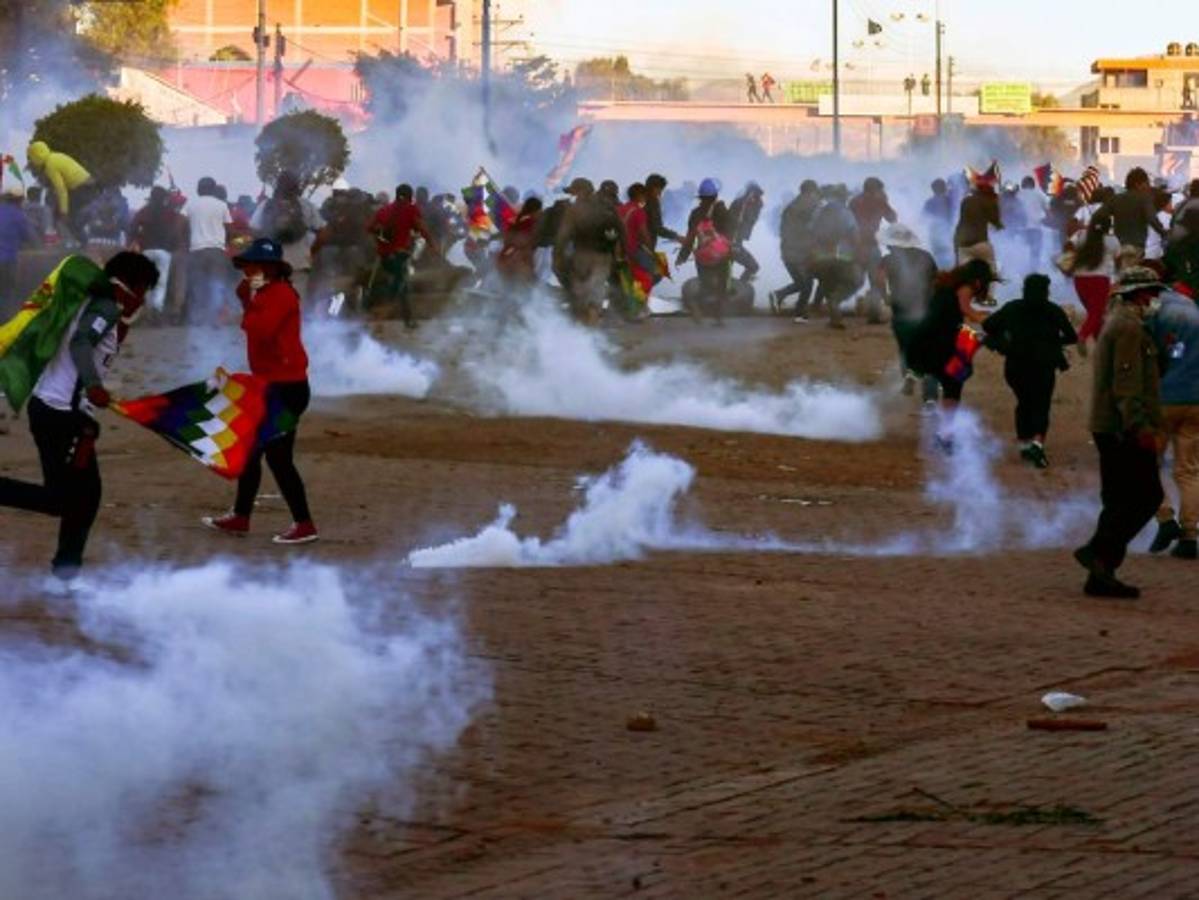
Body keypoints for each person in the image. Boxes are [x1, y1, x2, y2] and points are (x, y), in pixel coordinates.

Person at [0, 252, 159, 578]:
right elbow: (81, 343)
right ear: (134, 286)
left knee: (83, 497)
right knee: (68, 499)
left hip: (54, 411)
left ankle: (65, 572)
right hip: (63, 416)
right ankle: (65, 572)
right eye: (144, 291)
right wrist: (94, 385)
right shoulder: (103, 308)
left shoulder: (94, 304)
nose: (143, 301)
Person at [202, 238, 318, 545]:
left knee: (278, 459)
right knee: (252, 454)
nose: (247, 271)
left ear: (268, 268)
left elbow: (261, 330)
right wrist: (249, 296)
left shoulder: (278, 295)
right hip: (272, 386)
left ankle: (304, 524)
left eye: (252, 266)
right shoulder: (267, 292)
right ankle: (241, 517)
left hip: (286, 389)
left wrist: (247, 306)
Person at [1074, 267, 1168, 599]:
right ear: (1138, 295)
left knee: (1117, 499)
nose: (1155, 300)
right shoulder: (1129, 328)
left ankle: (1101, 573)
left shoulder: (1120, 324)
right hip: (1122, 428)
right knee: (1146, 496)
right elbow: (1126, 385)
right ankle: (1099, 551)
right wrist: (1139, 426)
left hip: (1110, 425)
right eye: (1151, 294)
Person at [982, 274, 1078, 467]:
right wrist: (1052, 342)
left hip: (1016, 365)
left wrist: (1005, 339)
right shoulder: (1053, 311)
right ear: (1046, 291)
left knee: (1024, 402)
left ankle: (1025, 445)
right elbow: (1072, 336)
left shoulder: (1012, 308)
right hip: (1044, 366)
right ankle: (1037, 443)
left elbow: (988, 325)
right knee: (1041, 404)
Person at [908, 258, 996, 426]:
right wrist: (985, 320)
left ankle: (943, 424)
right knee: (954, 381)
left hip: (927, 338)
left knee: (951, 377)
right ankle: (946, 430)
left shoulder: (950, 286)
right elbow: (965, 309)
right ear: (978, 281)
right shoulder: (966, 287)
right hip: (938, 342)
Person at [1146, 280, 1199, 560]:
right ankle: (1190, 535)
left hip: (1165, 398)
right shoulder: (1195, 311)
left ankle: (1166, 518)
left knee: (1147, 464)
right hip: (1196, 399)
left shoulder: (1156, 311)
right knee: (1188, 470)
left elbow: (1155, 354)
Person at [880, 224, 940, 404]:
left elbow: (879, 278)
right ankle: (930, 396)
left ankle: (909, 374)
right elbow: (937, 281)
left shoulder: (887, 260)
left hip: (901, 308)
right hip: (927, 308)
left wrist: (886, 297)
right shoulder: (926, 257)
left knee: (905, 346)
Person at [554, 177, 624, 325]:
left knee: (580, 296)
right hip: (603, 258)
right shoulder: (608, 207)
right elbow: (619, 234)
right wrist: (617, 257)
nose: (573, 196)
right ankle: (591, 334)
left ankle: (584, 335)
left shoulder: (575, 210)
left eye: (574, 193)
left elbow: (563, 236)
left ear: (580, 192)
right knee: (595, 297)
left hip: (581, 256)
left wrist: (558, 256)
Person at [369, 184, 435, 329]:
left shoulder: (383, 210)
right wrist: (432, 245)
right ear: (410, 196)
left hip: (385, 257)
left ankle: (408, 320)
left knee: (402, 284)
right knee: (398, 285)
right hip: (398, 255)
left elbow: (370, 228)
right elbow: (422, 228)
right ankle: (380, 316)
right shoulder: (411, 209)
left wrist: (381, 235)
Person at [252, 171, 321, 298]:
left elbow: (254, 230)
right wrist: (311, 251)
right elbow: (323, 231)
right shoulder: (307, 206)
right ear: (297, 186)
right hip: (298, 264)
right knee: (295, 305)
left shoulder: (266, 205)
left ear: (278, 185)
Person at [128, 186, 188, 320]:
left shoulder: (143, 212)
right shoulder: (169, 213)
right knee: (161, 283)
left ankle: (148, 311)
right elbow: (174, 234)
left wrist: (135, 241)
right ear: (164, 198)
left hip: (146, 251)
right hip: (164, 252)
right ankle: (157, 309)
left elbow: (132, 229)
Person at [1065, 215, 1121, 355]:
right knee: (1097, 313)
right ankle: (1083, 336)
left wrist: (1070, 260)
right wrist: (1118, 276)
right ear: (1109, 227)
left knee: (1094, 313)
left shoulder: (1080, 235)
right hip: (1100, 279)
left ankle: (1101, 345)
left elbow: (1068, 246)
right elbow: (1118, 261)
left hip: (1080, 279)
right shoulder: (1112, 240)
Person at [183, 176, 234, 325]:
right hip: (217, 251)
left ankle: (198, 318)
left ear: (198, 189)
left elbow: (180, 224)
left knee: (198, 284)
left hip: (196, 250)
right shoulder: (222, 205)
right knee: (216, 285)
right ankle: (215, 319)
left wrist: (186, 239)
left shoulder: (190, 204)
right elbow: (229, 229)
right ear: (213, 189)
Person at [805, 185, 858, 328]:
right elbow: (853, 234)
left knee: (827, 283)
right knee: (852, 281)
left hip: (820, 255)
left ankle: (834, 317)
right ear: (844, 197)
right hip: (841, 255)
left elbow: (810, 231)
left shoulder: (820, 212)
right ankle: (835, 312)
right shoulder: (846, 213)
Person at [25, 140, 97, 243]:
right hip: (86, 187)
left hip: (82, 190)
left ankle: (83, 243)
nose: (32, 162)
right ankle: (73, 240)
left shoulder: (50, 166)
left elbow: (61, 190)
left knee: (68, 218)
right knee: (59, 214)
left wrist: (64, 211)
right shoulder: (55, 156)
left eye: (31, 159)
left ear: (36, 157)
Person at [770, 179, 821, 315]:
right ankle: (799, 311)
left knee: (802, 282)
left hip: (788, 250)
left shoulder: (792, 206)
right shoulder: (808, 203)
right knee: (807, 283)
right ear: (810, 192)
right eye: (815, 193)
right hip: (798, 252)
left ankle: (779, 295)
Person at [1096, 167, 1167, 263]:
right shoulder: (1144, 199)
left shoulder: (1116, 199)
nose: (1148, 186)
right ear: (1137, 184)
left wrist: (1103, 233)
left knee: (1120, 274)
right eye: (1146, 183)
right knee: (1133, 274)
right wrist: (1164, 233)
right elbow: (1152, 219)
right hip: (1136, 247)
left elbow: (1098, 216)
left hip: (1118, 247)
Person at [849, 177, 898, 316]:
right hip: (870, 245)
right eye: (880, 190)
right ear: (875, 190)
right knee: (875, 279)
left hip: (854, 246)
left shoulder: (853, 201)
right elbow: (893, 218)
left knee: (856, 279)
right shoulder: (879, 201)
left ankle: (840, 304)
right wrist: (885, 201)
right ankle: (874, 310)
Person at [955, 179, 1003, 302]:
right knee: (991, 268)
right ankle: (988, 296)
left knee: (964, 273)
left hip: (962, 243)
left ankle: (964, 299)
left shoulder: (966, 201)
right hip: (980, 242)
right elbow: (996, 222)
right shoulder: (989, 201)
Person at [617, 183, 655, 318]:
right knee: (647, 277)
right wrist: (651, 250)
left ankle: (633, 307)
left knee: (628, 279)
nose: (645, 198)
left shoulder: (620, 209)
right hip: (633, 251)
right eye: (644, 195)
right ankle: (639, 309)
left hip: (619, 252)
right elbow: (644, 233)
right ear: (639, 195)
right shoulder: (638, 211)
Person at [0, 184, 35, 316]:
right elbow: (29, 236)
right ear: (19, 200)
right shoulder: (18, 215)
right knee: (7, 291)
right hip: (7, 261)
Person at [495, 196, 543, 289]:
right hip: (515, 260)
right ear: (535, 210)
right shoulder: (528, 222)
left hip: (507, 257)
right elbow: (521, 241)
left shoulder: (520, 219)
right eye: (539, 210)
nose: (541, 213)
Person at [726, 182, 764, 282]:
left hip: (736, 241)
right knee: (753, 266)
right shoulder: (740, 203)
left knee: (728, 268)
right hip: (731, 241)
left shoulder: (754, 205)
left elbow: (749, 220)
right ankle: (735, 288)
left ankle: (738, 287)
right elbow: (729, 220)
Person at [921, 178, 955, 270]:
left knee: (937, 258)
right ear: (944, 188)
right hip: (947, 234)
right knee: (950, 257)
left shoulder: (928, 203)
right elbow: (954, 215)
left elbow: (923, 219)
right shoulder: (949, 200)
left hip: (934, 234)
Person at [1018, 176, 1049, 273]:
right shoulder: (1039, 194)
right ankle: (1034, 270)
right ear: (1033, 185)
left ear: (1023, 185)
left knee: (1021, 249)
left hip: (1021, 229)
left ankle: (1021, 269)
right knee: (1035, 250)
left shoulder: (1018, 194)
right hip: (1036, 227)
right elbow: (1048, 209)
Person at [644, 174, 682, 250]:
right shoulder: (653, 202)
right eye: (660, 189)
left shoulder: (640, 200)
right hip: (644, 246)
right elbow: (658, 228)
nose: (660, 193)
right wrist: (677, 237)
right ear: (653, 188)